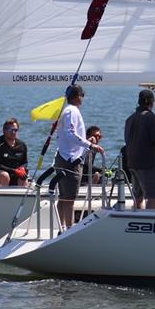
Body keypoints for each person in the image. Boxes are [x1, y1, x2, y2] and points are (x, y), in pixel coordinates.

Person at [55, 85, 103, 228]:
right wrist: (90, 145)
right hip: (70, 159)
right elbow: (70, 134)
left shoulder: (68, 110)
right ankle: (68, 228)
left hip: (65, 157)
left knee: (63, 197)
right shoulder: (71, 111)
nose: (83, 99)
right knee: (68, 198)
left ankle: (61, 227)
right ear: (78, 96)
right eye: (82, 95)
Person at [124, 89, 155, 210]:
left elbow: (127, 140)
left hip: (132, 163)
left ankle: (137, 221)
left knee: (137, 196)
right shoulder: (152, 118)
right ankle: (150, 221)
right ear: (152, 102)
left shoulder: (130, 119)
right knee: (152, 197)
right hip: (147, 165)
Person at [0, 118, 28, 187]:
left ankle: (20, 196)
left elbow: (25, 162)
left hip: (15, 172)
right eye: (10, 129)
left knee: (23, 177)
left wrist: (22, 168)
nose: (13, 132)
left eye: (15, 130)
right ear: (4, 130)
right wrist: (14, 170)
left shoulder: (22, 145)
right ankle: (1, 196)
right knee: (5, 175)